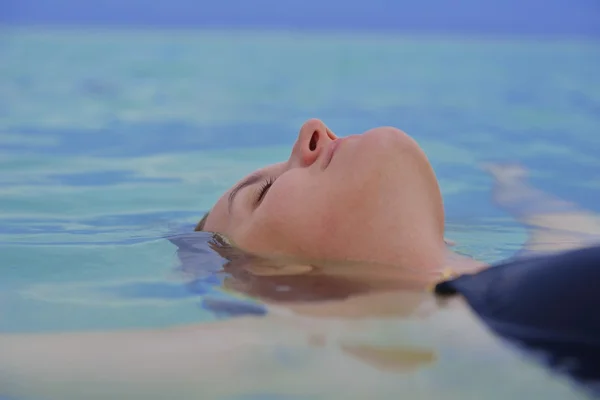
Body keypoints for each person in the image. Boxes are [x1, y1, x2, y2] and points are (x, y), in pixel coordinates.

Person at [1, 119, 599, 400]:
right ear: (274, 279)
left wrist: (512, 185)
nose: (312, 133)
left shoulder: (515, 286)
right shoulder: (364, 351)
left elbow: (560, 225)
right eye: (261, 193)